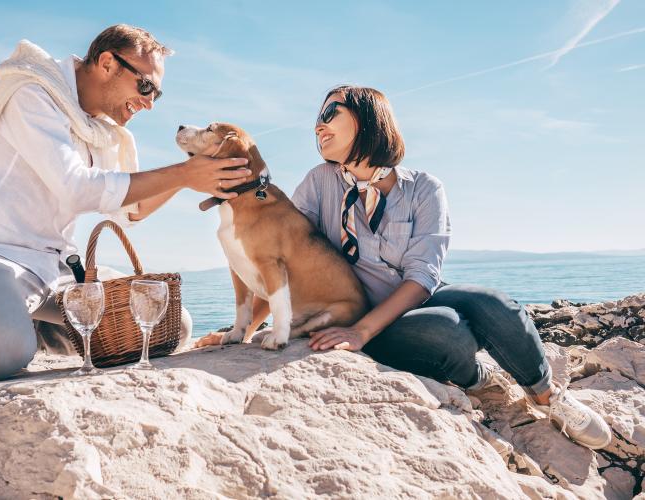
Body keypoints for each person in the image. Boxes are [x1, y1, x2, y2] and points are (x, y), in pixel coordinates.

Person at [204, 85, 612, 450]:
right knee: (445, 330)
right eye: (316, 120)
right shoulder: (317, 182)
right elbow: (281, 257)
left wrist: (358, 333)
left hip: (416, 296)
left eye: (330, 115)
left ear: (366, 120)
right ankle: (479, 380)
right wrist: (242, 331)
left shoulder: (424, 187)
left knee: (492, 302)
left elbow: (423, 275)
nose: (318, 126)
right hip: (362, 312)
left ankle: (547, 396)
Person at [0, 24, 251, 393]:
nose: (149, 103)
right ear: (107, 63)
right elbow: (75, 188)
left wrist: (189, 175)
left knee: (164, 324)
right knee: (3, 356)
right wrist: (184, 172)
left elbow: (133, 210)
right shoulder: (32, 95)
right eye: (145, 86)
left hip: (57, 268)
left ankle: (24, 324)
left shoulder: (102, 130)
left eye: (157, 93)